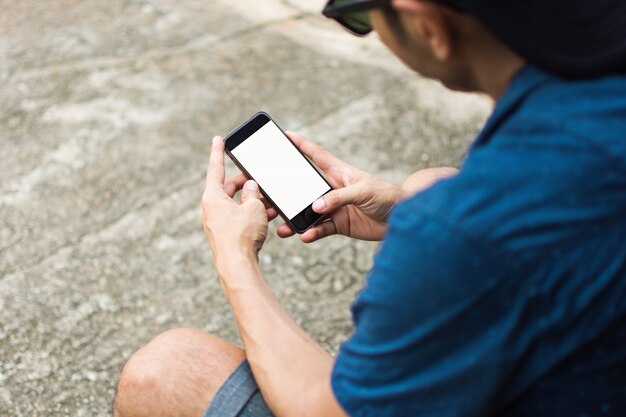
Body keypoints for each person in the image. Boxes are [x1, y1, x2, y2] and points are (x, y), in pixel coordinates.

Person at [112, 0, 626, 416]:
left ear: (429, 25)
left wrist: (234, 257)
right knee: (429, 182)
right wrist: (411, 208)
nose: (370, 30)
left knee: (164, 372)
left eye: (363, 18)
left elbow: (329, 410)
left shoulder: (459, 232)